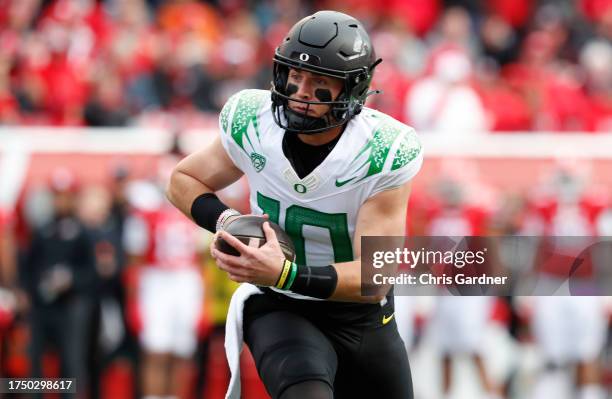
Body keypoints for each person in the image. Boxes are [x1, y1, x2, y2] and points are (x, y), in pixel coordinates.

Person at [167, 10, 423, 399]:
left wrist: (285, 270)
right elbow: (182, 180)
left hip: (361, 318)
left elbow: (374, 278)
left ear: (352, 88)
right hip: (280, 305)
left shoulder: (381, 151)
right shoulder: (253, 121)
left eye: (319, 81)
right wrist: (228, 220)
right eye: (295, 75)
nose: (300, 90)